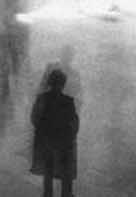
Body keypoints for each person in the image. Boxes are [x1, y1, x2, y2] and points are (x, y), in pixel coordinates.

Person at [29, 67, 79, 197]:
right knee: (65, 176)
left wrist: (44, 132)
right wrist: (69, 137)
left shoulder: (42, 99)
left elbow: (35, 118)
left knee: (48, 175)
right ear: (63, 84)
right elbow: (74, 124)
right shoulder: (68, 101)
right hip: (63, 143)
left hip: (47, 142)